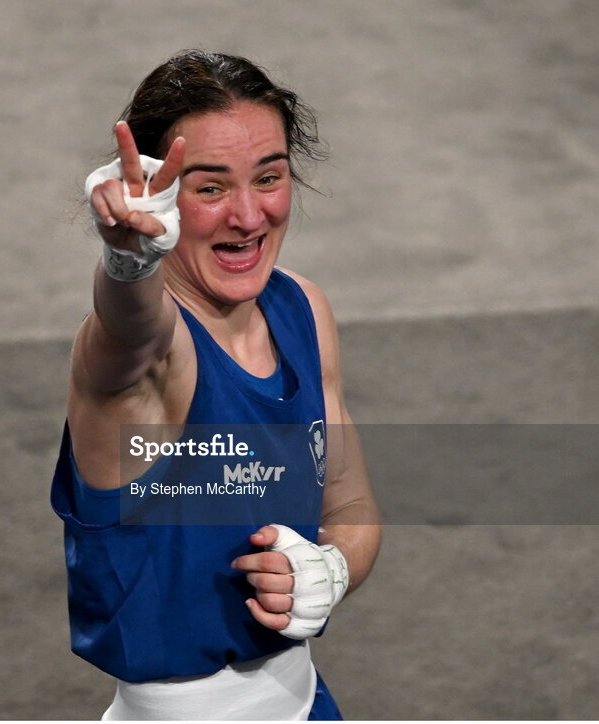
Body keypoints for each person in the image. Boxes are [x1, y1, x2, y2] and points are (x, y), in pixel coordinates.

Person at [51, 50, 381, 720]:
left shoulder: (302, 310)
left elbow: (351, 508)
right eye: (210, 189)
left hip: (309, 706)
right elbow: (131, 328)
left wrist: (332, 569)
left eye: (269, 177)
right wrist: (127, 261)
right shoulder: (146, 360)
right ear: (161, 197)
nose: (249, 215)